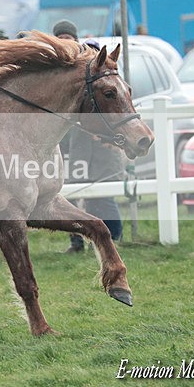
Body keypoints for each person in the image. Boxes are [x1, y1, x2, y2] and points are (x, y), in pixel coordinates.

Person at [52, 27, 125, 252]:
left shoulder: (102, 74)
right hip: (80, 145)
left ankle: (113, 239)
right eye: (60, 38)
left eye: (68, 38)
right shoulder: (66, 73)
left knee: (102, 196)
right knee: (74, 192)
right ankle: (77, 242)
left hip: (103, 147)